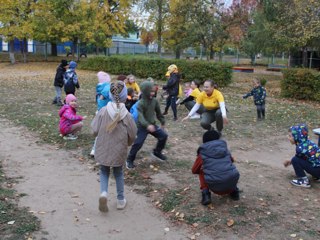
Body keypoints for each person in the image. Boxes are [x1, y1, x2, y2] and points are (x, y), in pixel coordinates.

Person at [91, 81, 137, 212]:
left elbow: (94, 129)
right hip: (119, 149)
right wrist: (128, 143)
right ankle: (120, 200)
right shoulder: (127, 115)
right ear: (124, 96)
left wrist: (97, 135)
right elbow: (133, 133)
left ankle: (103, 193)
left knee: (104, 171)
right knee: (118, 173)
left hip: (103, 147)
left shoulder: (103, 111)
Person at [126, 81, 168, 170]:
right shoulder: (140, 103)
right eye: (151, 91)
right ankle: (129, 159)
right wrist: (147, 125)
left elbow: (159, 113)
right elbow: (140, 117)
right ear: (145, 91)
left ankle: (157, 152)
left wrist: (162, 122)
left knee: (163, 136)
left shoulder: (155, 101)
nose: (153, 93)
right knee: (138, 143)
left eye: (153, 91)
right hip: (142, 126)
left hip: (152, 125)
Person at [192, 130, 240, 205]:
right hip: (231, 184)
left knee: (202, 171)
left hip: (215, 187)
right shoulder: (226, 150)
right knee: (229, 169)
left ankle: (206, 194)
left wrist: (208, 169)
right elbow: (231, 161)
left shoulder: (202, 153)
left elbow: (194, 170)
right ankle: (235, 192)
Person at [283, 124, 320, 188]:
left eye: (290, 136)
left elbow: (297, 160)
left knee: (295, 160)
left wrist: (290, 161)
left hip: (318, 170)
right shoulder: (308, 143)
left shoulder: (300, 148)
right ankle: (316, 177)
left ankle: (303, 181)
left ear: (297, 137)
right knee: (307, 160)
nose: (288, 138)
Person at [90, 71, 112, 157]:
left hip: (99, 111)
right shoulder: (107, 88)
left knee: (100, 131)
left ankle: (94, 150)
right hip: (107, 112)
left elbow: (100, 100)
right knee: (106, 131)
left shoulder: (99, 87)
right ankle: (100, 149)